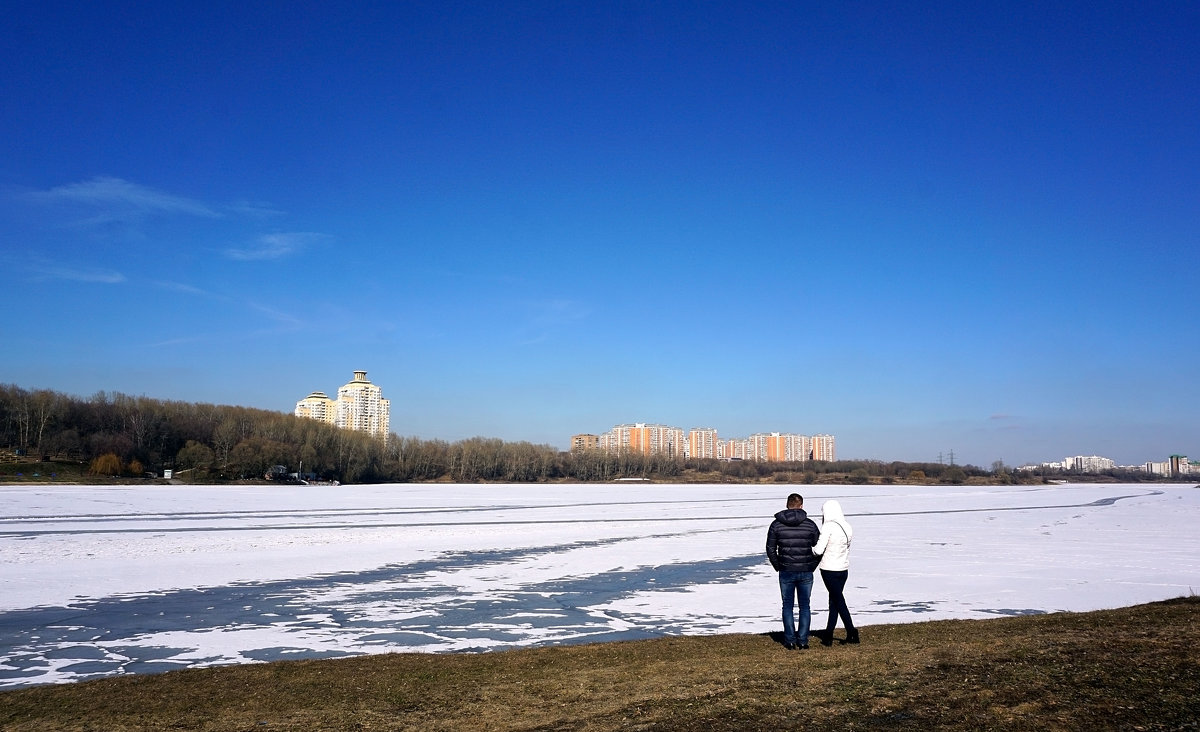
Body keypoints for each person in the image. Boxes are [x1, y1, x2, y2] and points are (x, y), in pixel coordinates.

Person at [765, 493, 821, 649]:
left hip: (786, 571)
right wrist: (812, 565)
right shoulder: (810, 525)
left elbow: (770, 549)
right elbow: (820, 548)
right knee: (805, 606)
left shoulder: (776, 525)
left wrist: (778, 565)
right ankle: (802, 641)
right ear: (801, 505)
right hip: (805, 571)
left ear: (787, 505)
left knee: (787, 606)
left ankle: (790, 640)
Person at [812, 499, 858, 646]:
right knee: (834, 601)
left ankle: (852, 632)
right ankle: (828, 635)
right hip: (843, 569)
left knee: (838, 601)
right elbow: (847, 548)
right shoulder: (847, 526)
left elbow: (818, 550)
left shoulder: (828, 527)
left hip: (829, 570)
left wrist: (810, 548)